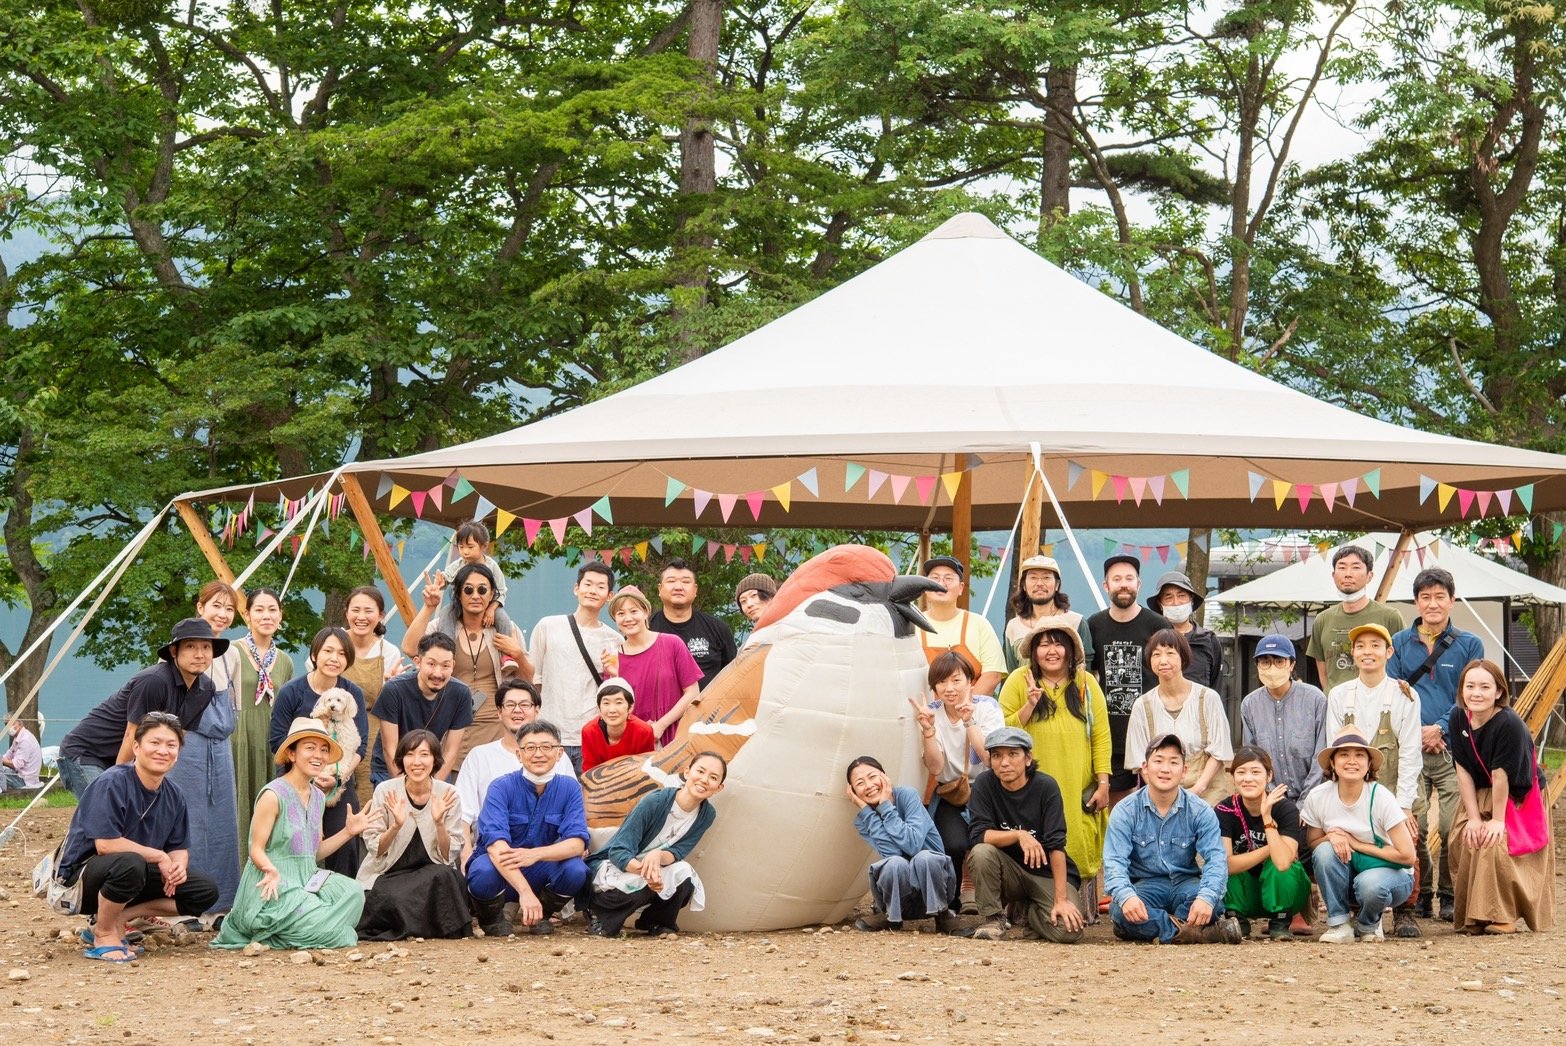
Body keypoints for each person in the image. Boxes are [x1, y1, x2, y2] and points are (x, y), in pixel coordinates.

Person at [57, 714, 220, 962]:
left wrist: (178, 866)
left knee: (204, 890)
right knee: (129, 863)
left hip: (133, 874)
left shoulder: (173, 794)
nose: (162, 751)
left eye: (171, 745)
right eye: (154, 743)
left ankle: (120, 918)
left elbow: (179, 846)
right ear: (136, 747)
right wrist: (159, 856)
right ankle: (102, 933)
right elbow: (105, 845)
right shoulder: (112, 782)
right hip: (81, 881)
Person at [213, 717, 367, 950]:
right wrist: (270, 869)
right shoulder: (273, 795)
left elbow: (313, 853)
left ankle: (303, 928)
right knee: (339, 934)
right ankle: (277, 931)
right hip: (273, 883)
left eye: (324, 750)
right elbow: (256, 848)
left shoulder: (318, 797)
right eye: (310, 748)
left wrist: (348, 832)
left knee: (354, 893)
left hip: (307, 879)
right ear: (292, 754)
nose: (319, 755)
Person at [996, 621, 1110, 917]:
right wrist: (1029, 706)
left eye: (1058, 643)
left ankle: (1080, 910)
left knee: (1076, 839)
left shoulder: (1086, 684)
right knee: (1033, 838)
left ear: (1071, 651)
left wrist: (1103, 782)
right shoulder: (1019, 680)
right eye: (1043, 644)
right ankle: (1026, 910)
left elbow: (1101, 735)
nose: (1051, 651)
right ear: (1033, 652)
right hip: (1030, 785)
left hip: (1075, 782)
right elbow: (999, 732)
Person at [1387, 567, 1482, 923]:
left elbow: (1469, 694)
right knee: (1417, 826)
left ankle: (1448, 893)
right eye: (1425, 597)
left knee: (1450, 826)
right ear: (1416, 602)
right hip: (1410, 749)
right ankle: (1421, 892)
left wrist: (1439, 728)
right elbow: (1394, 690)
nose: (1432, 603)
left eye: (1440, 596)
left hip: (1453, 747)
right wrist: (1417, 731)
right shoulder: (1398, 642)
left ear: (1452, 601)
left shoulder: (1469, 643)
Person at [1323, 621, 1423, 937]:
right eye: (1361, 646)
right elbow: (1333, 749)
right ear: (1352, 653)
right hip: (1351, 791)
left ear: (1389, 652)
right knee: (1348, 847)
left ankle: (1406, 913)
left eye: (1376, 645)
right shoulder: (1339, 695)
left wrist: (1404, 805)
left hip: (1394, 790)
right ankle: (1358, 913)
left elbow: (1410, 751)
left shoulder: (1404, 695)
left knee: (1411, 844)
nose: (1368, 652)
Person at [57, 617, 223, 799]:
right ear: (174, 651)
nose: (200, 654)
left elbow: (176, 738)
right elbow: (132, 736)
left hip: (123, 756)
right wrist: (122, 783)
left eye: (206, 647)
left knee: (134, 814)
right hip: (86, 753)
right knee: (107, 807)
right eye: (191, 646)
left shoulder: (206, 689)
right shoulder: (154, 681)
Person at [1446, 659, 1555, 934]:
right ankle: (1474, 916)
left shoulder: (1509, 724)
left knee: (1496, 844)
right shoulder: (1457, 717)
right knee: (1465, 838)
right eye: (1470, 686)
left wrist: (1497, 820)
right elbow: (1463, 771)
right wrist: (1472, 818)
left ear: (1498, 692)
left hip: (1516, 796)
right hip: (1478, 792)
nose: (1476, 693)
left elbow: (1501, 777)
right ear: (1462, 690)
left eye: (1485, 686)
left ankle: (1503, 915)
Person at [1103, 733, 1240, 944]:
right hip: (1145, 886)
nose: (1165, 769)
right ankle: (1200, 933)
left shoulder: (1200, 810)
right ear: (1145, 768)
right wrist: (1127, 896)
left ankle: (1156, 929)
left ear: (1184, 771)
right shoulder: (1125, 810)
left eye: (1174, 762)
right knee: (1120, 911)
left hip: (1186, 884)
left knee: (1214, 904)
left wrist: (1205, 898)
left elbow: (1216, 859)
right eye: (1158, 761)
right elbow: (1114, 863)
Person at [959, 727, 1086, 943]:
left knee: (1069, 931)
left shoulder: (1046, 786)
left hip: (1045, 872)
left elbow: (1056, 845)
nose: (1004, 762)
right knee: (981, 853)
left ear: (1028, 758)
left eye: (1013, 754)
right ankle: (993, 918)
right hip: (1006, 870)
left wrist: (1061, 899)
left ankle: (1030, 912)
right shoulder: (984, 784)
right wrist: (1019, 835)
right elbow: (979, 835)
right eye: (997, 755)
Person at [465, 720, 590, 937]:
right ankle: (492, 918)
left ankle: (541, 913)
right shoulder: (500, 787)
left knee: (576, 870)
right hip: (501, 869)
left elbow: (577, 843)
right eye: (530, 748)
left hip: (540, 867)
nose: (538, 754)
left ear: (559, 754)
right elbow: (496, 847)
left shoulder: (570, 788)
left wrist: (534, 854)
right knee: (482, 872)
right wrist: (524, 891)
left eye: (546, 747)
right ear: (519, 754)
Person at [163, 582, 244, 916]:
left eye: (229, 608)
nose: (222, 614)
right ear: (200, 607)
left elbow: (234, 706)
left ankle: (223, 903)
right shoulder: (182, 645)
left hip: (220, 748)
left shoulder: (232, 654)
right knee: (187, 820)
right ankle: (180, 902)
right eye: (216, 606)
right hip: (187, 747)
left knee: (224, 823)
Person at [405, 561, 531, 769]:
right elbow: (410, 648)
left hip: (496, 727)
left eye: (482, 590)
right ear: (458, 594)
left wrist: (518, 655)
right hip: (451, 726)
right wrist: (429, 607)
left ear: (492, 595)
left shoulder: (506, 630)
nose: (475, 595)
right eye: (468, 590)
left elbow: (527, 679)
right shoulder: (442, 627)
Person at [587, 751, 728, 938]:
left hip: (650, 868)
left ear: (719, 787)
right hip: (617, 866)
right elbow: (619, 851)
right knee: (640, 888)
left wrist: (657, 855)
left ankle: (655, 922)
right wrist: (644, 871)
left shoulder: (706, 815)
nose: (704, 780)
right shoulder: (655, 801)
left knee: (684, 876)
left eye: (713, 778)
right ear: (687, 772)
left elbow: (678, 851)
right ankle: (599, 915)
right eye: (700, 771)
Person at [1299, 727, 1416, 943]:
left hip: (1392, 873)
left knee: (1370, 884)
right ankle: (1339, 923)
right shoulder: (1318, 796)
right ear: (1332, 763)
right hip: (1349, 870)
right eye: (1344, 754)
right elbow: (1313, 843)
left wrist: (1355, 843)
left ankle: (1369, 923)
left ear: (1369, 763)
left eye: (1359, 755)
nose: (1351, 761)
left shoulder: (1381, 797)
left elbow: (1407, 855)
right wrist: (1331, 837)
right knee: (1324, 852)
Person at [269, 626, 370, 878]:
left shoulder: (352, 693)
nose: (334, 658)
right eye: (328, 651)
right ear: (314, 653)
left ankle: (342, 904)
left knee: (345, 844)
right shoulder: (292, 692)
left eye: (341, 653)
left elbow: (361, 745)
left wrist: (338, 775)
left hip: (340, 781)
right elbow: (277, 742)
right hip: (296, 783)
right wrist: (312, 778)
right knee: (296, 848)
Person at [356, 730, 471, 941]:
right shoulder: (385, 790)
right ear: (401, 759)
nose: (416, 762)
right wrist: (395, 827)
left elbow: (448, 855)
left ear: (435, 759)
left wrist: (439, 823)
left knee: (447, 876)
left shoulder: (448, 793)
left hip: (429, 872)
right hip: (388, 873)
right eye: (410, 755)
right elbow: (375, 849)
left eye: (424, 754)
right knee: (393, 896)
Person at [911, 652, 1004, 900]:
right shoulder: (931, 712)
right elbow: (935, 767)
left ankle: (991, 903)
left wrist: (969, 720)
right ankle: (949, 906)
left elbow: (988, 757)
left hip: (987, 790)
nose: (948, 688)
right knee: (952, 844)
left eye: (956, 680)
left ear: (970, 681)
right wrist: (929, 731)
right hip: (951, 791)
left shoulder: (987, 707)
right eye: (941, 682)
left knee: (987, 845)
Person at [456, 678, 576, 869]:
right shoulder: (479, 756)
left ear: (537, 711)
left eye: (525, 705)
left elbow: (573, 810)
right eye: (510, 705)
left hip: (545, 854)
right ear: (499, 712)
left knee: (576, 871)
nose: (517, 710)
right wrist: (466, 853)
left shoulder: (555, 755)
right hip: (493, 852)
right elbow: (462, 813)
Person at [1086, 555, 1170, 801]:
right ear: (1106, 585)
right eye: (1117, 579)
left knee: (1155, 796)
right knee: (1116, 803)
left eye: (1129, 579)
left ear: (1139, 584)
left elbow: (1171, 671)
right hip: (1111, 731)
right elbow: (1088, 677)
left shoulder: (1158, 624)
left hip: (1151, 728)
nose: (1123, 584)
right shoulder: (1094, 625)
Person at [845, 755, 959, 934]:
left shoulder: (907, 795)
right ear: (853, 792)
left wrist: (885, 807)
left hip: (934, 886)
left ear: (885, 776)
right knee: (893, 863)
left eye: (872, 776)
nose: (868, 785)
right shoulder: (863, 820)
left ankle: (942, 915)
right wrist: (869, 813)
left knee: (924, 857)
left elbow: (912, 845)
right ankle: (892, 916)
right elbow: (893, 853)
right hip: (903, 895)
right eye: (859, 783)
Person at [1123, 629, 1234, 805]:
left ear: (1183, 657)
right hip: (1160, 795)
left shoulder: (1208, 698)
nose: (1163, 660)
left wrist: (1197, 789)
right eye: (1156, 654)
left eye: (1170, 653)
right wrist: (1162, 792)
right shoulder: (1142, 705)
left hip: (1208, 793)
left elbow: (1219, 751)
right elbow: (1139, 761)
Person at [528, 563, 621, 771]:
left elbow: (616, 691)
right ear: (576, 588)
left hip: (592, 735)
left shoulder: (614, 640)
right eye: (588, 584)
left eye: (600, 586)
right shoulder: (548, 626)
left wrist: (613, 675)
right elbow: (534, 680)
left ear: (609, 596)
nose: (593, 590)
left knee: (589, 801)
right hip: (550, 734)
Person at [1215, 747, 1311, 941]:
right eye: (1241, 772)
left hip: (1284, 893)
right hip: (1246, 894)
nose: (1248, 778)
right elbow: (1225, 864)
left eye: (1255, 772)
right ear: (1233, 777)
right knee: (1226, 871)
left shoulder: (1285, 809)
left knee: (1280, 867)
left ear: (1269, 776)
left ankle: (1280, 921)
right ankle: (1237, 920)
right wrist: (1271, 848)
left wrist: (1267, 817)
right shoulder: (1224, 810)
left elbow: (1284, 863)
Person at [232, 588, 295, 854]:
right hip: (237, 737)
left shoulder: (285, 661)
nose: (266, 616)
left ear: (280, 616)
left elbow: (287, 707)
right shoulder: (232, 651)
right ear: (247, 615)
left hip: (272, 741)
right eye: (259, 610)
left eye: (272, 610)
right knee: (238, 803)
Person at [371, 633, 473, 785]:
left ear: (453, 666)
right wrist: (405, 789)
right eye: (431, 664)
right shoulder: (394, 689)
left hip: (432, 765)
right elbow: (389, 749)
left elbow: (451, 752)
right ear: (418, 662)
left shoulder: (461, 693)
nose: (438, 673)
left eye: (445, 665)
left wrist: (431, 787)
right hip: (391, 766)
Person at [610, 586, 703, 747]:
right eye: (620, 613)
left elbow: (693, 692)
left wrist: (660, 725)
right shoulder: (613, 657)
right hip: (634, 742)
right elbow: (613, 706)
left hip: (677, 736)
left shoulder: (672, 643)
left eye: (634, 611)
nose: (628, 618)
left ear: (645, 612)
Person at [1239, 635, 1328, 800]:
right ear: (1257, 666)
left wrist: (1306, 801)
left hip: (1315, 799)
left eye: (1279, 661)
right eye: (1265, 662)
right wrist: (1274, 798)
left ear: (1292, 664)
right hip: (1271, 801)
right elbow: (1253, 756)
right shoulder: (1250, 704)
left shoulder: (1315, 699)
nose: (1272, 668)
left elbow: (1321, 756)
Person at [341, 585, 407, 806]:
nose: (361, 617)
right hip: (335, 730)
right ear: (346, 612)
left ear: (380, 616)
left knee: (370, 798)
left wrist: (390, 686)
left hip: (373, 730)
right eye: (355, 610)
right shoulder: (334, 643)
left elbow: (392, 704)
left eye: (368, 611)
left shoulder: (388, 652)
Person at [1307, 545, 1404, 692]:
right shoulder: (1322, 620)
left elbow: (1402, 663)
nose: (1348, 574)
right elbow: (1323, 673)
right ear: (1333, 575)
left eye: (1356, 567)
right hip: (1336, 708)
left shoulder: (1390, 617)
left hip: (1379, 705)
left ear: (1369, 576)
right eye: (1342, 567)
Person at [917, 556, 1006, 697]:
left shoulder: (979, 624)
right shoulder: (912, 625)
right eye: (934, 578)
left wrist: (963, 709)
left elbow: (993, 675)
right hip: (924, 713)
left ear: (961, 588)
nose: (941, 583)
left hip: (972, 713)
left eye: (948, 578)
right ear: (925, 587)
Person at [649, 559, 737, 689]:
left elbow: (734, 673)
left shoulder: (717, 628)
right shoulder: (647, 629)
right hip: (661, 708)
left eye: (685, 582)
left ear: (695, 590)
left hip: (710, 707)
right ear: (660, 589)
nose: (678, 587)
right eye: (671, 581)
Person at [1003, 554, 1093, 672]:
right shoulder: (1014, 626)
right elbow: (1013, 672)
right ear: (1024, 585)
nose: (1039, 583)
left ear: (1057, 585)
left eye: (1046, 578)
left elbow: (1085, 672)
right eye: (1033, 578)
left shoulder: (1076, 622)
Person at [443, 519, 521, 654]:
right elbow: (446, 578)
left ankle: (506, 656)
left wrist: (491, 609)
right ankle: (447, 651)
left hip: (490, 604)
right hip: (461, 604)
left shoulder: (491, 566)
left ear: (484, 547)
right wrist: (439, 582)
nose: (465, 552)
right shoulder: (458, 564)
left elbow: (501, 591)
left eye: (470, 547)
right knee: (446, 613)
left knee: (503, 619)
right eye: (461, 547)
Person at [1145, 570, 1222, 691]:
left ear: (1191, 599)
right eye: (1169, 597)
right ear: (1160, 604)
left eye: (1181, 596)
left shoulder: (1208, 640)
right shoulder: (1151, 640)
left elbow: (1215, 683)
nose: (1176, 603)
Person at [580, 679, 656, 772]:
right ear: (599, 707)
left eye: (618, 703)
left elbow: (646, 769)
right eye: (606, 703)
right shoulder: (589, 732)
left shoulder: (644, 731)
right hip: (600, 784)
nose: (612, 710)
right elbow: (589, 772)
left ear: (630, 707)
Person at [2, 715, 42, 791]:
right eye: (6, 725)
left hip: (24, 781)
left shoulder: (25, 740)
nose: (8, 727)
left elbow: (17, 765)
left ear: (20, 723)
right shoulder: (18, 738)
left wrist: (1, 760)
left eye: (11, 723)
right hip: (20, 776)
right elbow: (7, 756)